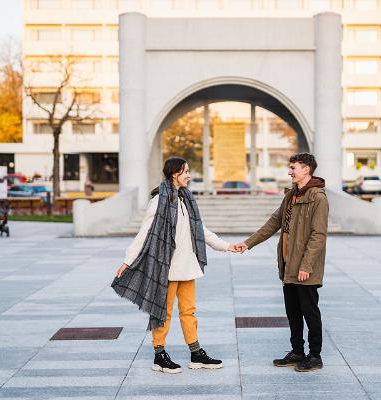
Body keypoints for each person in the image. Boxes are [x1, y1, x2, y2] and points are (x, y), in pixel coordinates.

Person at [113, 157, 239, 374]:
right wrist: (128, 260)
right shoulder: (158, 201)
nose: (189, 175)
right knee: (164, 312)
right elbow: (144, 233)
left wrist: (227, 246)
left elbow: (201, 230)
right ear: (175, 174)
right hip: (167, 267)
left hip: (187, 265)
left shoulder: (186, 199)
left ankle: (196, 353)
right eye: (186, 172)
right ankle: (159, 355)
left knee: (189, 311)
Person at [235, 153, 329, 372]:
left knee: (310, 312)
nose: (289, 171)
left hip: (305, 267)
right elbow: (273, 223)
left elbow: (319, 235)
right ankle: (297, 351)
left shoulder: (318, 198)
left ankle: (315, 356)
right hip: (288, 264)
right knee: (293, 311)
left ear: (306, 169)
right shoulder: (291, 196)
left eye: (293, 168)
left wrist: (307, 265)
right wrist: (248, 243)